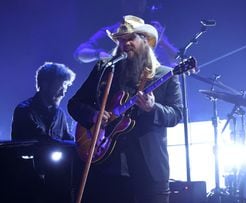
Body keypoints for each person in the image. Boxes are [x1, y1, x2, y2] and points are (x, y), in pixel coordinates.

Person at [68, 15, 183, 203]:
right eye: (121, 40)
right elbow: (74, 104)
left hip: (149, 171)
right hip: (107, 167)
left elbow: (177, 114)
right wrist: (95, 115)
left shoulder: (165, 75)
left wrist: (153, 108)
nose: (125, 44)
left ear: (145, 41)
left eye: (131, 38)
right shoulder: (106, 69)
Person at [11, 62, 76, 203]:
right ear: (45, 84)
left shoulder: (60, 114)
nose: (64, 92)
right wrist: (75, 145)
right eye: (61, 85)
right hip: (29, 187)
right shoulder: (24, 110)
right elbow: (43, 140)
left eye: (66, 86)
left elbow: (68, 139)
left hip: (55, 184)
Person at [73, 0, 178, 67]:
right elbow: (80, 53)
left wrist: (162, 41)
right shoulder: (113, 29)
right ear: (124, 3)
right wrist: (99, 54)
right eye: (133, 1)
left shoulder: (153, 29)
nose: (138, 4)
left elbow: (176, 59)